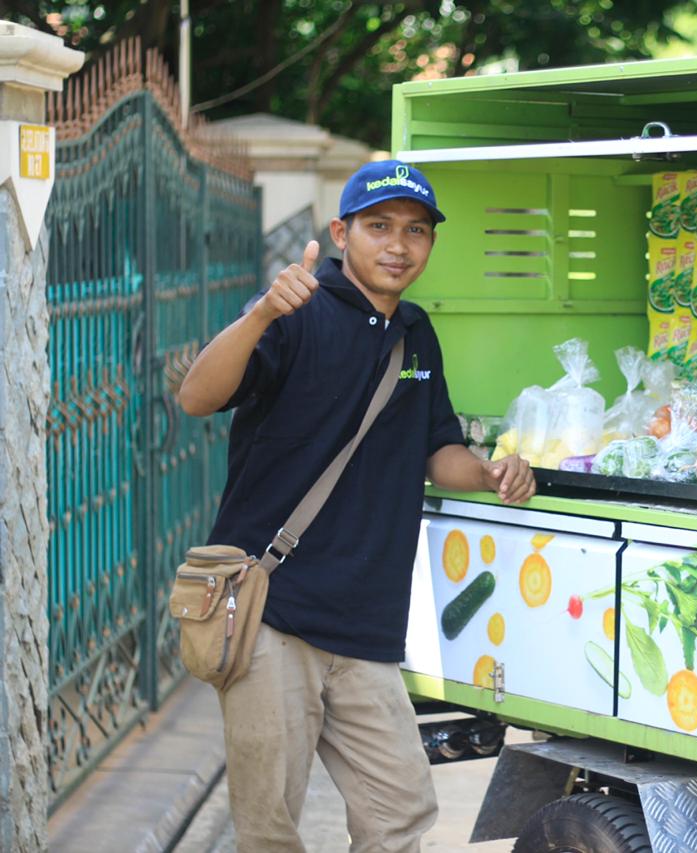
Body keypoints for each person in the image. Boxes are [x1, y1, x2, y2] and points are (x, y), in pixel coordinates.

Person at [178, 159, 535, 852]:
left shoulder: (416, 336)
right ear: (343, 232)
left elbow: (439, 447)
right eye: (378, 226)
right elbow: (196, 396)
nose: (398, 244)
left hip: (367, 626)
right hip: (272, 616)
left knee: (399, 815)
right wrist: (260, 312)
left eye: (415, 230)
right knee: (270, 830)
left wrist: (490, 473)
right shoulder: (295, 312)